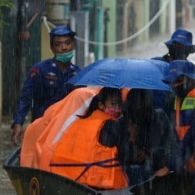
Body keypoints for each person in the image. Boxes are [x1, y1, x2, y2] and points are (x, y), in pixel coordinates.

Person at [11, 25, 81, 146]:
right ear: (52, 47)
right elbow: (25, 98)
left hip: (68, 131)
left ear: (73, 45)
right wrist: (18, 123)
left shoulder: (79, 74)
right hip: (42, 129)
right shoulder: (40, 70)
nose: (63, 47)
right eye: (58, 44)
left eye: (67, 43)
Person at [50, 87, 128, 190]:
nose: (117, 109)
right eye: (113, 104)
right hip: (99, 185)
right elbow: (126, 154)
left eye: (119, 105)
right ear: (101, 105)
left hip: (65, 181)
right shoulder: (110, 125)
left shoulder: (78, 122)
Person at [118, 89, 179, 189]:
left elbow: (173, 149)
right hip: (132, 175)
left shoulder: (159, 117)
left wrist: (149, 154)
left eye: (143, 109)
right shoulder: (123, 122)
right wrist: (132, 140)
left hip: (158, 171)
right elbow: (120, 156)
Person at [163, 60, 195, 194]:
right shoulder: (175, 100)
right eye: (172, 81)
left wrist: (173, 162)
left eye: (179, 80)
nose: (175, 85)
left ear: (190, 78)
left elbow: (191, 133)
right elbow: (174, 132)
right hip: (185, 164)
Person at [152, 28, 195, 117]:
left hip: (177, 117)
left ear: (188, 51)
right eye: (176, 46)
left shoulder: (189, 71)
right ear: (170, 47)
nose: (178, 50)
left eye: (182, 48)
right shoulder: (156, 64)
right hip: (156, 116)